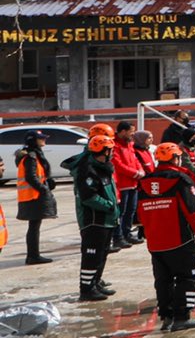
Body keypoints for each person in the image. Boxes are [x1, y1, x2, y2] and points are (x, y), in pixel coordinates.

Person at [135, 143, 195, 332]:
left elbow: (139, 214)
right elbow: (191, 211)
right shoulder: (181, 180)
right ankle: (182, 317)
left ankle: (166, 316)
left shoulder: (145, 181)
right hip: (179, 238)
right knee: (188, 277)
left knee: (163, 279)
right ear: (176, 158)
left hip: (155, 241)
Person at [63, 132, 119, 301]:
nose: (113, 152)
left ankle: (94, 283)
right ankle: (86, 289)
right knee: (92, 255)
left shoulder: (103, 168)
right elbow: (89, 197)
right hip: (95, 221)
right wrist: (109, 206)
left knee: (102, 254)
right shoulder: (88, 170)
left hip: (106, 219)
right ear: (103, 151)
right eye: (110, 150)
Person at [13, 132, 56, 265]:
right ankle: (33, 256)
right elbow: (31, 177)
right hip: (33, 196)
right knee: (34, 226)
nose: (44, 140)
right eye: (41, 138)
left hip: (33, 195)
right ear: (33, 141)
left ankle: (33, 255)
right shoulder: (31, 156)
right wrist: (43, 189)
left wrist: (48, 181)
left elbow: (38, 174)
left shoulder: (33, 155)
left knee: (34, 226)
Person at [110, 121, 144, 246]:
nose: (133, 134)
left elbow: (135, 159)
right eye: (131, 131)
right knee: (121, 212)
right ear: (123, 131)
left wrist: (140, 170)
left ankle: (127, 234)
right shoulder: (114, 145)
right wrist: (135, 173)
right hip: (122, 185)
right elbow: (118, 165)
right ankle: (118, 237)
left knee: (131, 210)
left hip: (133, 183)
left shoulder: (129, 144)